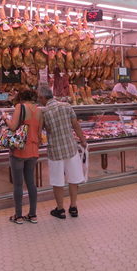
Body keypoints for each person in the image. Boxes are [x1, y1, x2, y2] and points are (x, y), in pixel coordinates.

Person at [38, 85, 87, 219]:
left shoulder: (44, 112)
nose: (39, 101)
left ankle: (60, 210)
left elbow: (42, 131)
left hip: (55, 151)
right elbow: (75, 125)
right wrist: (82, 140)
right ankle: (73, 207)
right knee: (74, 178)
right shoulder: (66, 106)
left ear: (43, 97)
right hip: (70, 148)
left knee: (57, 180)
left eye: (39, 98)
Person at [1, 89, 43, 224]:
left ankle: (18, 216)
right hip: (33, 149)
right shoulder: (39, 110)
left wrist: (5, 118)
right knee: (31, 183)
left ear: (21, 98)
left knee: (18, 184)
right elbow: (39, 131)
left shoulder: (20, 107)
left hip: (19, 150)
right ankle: (32, 214)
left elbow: (13, 127)